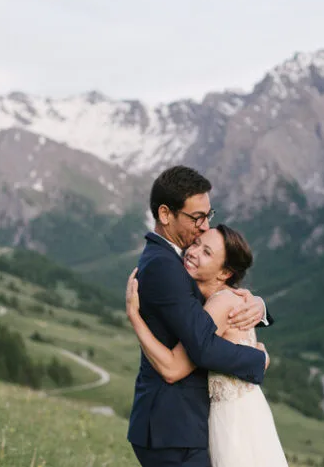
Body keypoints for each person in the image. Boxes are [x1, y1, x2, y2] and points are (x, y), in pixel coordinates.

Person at [127, 165, 275, 467]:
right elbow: (203, 346)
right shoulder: (165, 266)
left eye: (209, 215)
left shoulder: (175, 257)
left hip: (183, 425)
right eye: (197, 218)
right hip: (172, 428)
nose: (205, 226)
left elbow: (219, 299)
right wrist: (258, 361)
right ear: (166, 214)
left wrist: (260, 307)